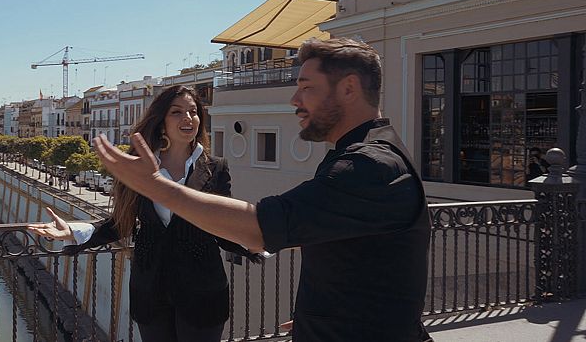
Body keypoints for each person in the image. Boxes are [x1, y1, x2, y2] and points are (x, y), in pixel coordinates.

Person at [94, 38, 433, 342]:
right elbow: (353, 258)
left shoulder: (367, 166)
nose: (294, 99)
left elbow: (259, 228)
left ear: (348, 88)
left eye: (306, 87)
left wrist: (155, 186)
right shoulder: (366, 154)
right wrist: (316, 319)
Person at [29, 85, 260, 342]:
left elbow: (223, 226)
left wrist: (260, 238)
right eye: (177, 112)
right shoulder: (139, 165)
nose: (188, 118)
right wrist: (74, 230)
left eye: (193, 112)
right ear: (161, 121)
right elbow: (122, 223)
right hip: (151, 292)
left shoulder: (216, 168)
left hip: (202, 292)